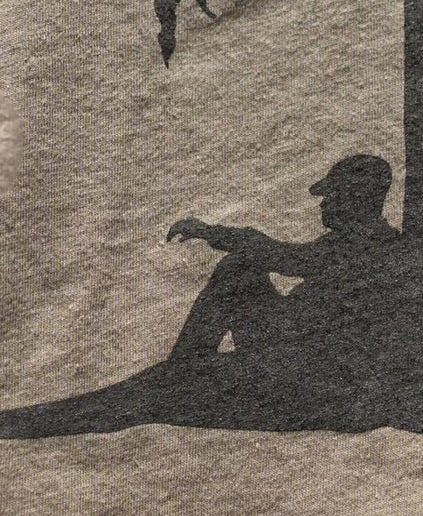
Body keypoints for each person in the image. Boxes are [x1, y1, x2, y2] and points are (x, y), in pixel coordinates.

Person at [165, 154, 405, 413]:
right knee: (240, 266)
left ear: (353, 198)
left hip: (313, 369)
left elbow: (285, 258)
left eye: (331, 194)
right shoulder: (369, 241)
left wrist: (208, 231)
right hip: (312, 353)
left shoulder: (362, 245)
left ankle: (181, 372)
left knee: (237, 268)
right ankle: (184, 369)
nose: (323, 203)